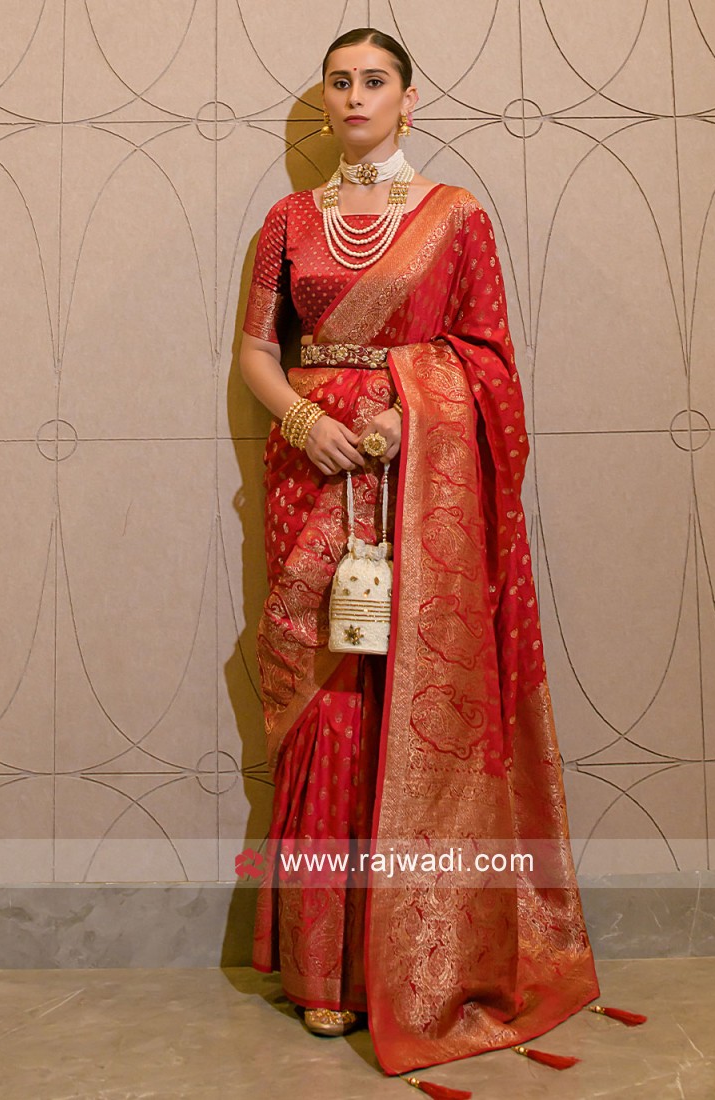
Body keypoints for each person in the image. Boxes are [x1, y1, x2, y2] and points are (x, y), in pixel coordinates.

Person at [239, 26, 603, 1080]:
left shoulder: (455, 217)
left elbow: (485, 358)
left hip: (416, 480)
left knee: (416, 701)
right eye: (338, 82)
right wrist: (309, 427)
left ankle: (422, 965)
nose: (353, 96)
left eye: (373, 81)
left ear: (407, 96)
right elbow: (258, 352)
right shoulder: (286, 222)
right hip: (312, 478)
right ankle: (328, 971)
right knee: (328, 697)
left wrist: (412, 416)